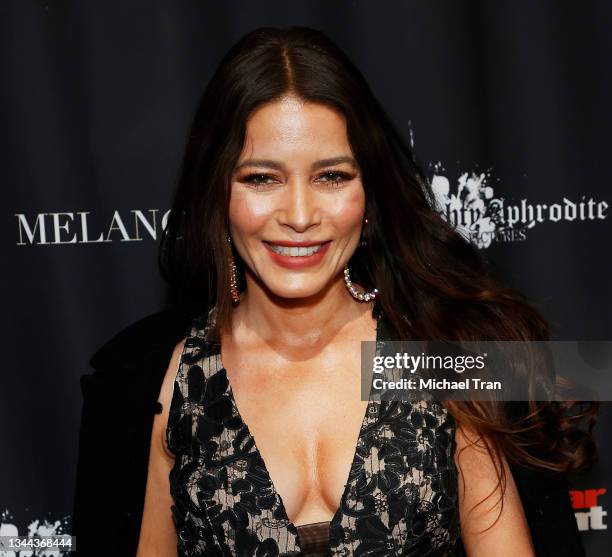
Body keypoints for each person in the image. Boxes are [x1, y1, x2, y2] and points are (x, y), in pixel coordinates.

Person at [72, 26, 597, 557]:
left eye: (331, 176)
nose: (299, 216)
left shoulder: (435, 351)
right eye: (261, 178)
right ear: (216, 192)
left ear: (369, 191)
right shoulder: (159, 381)